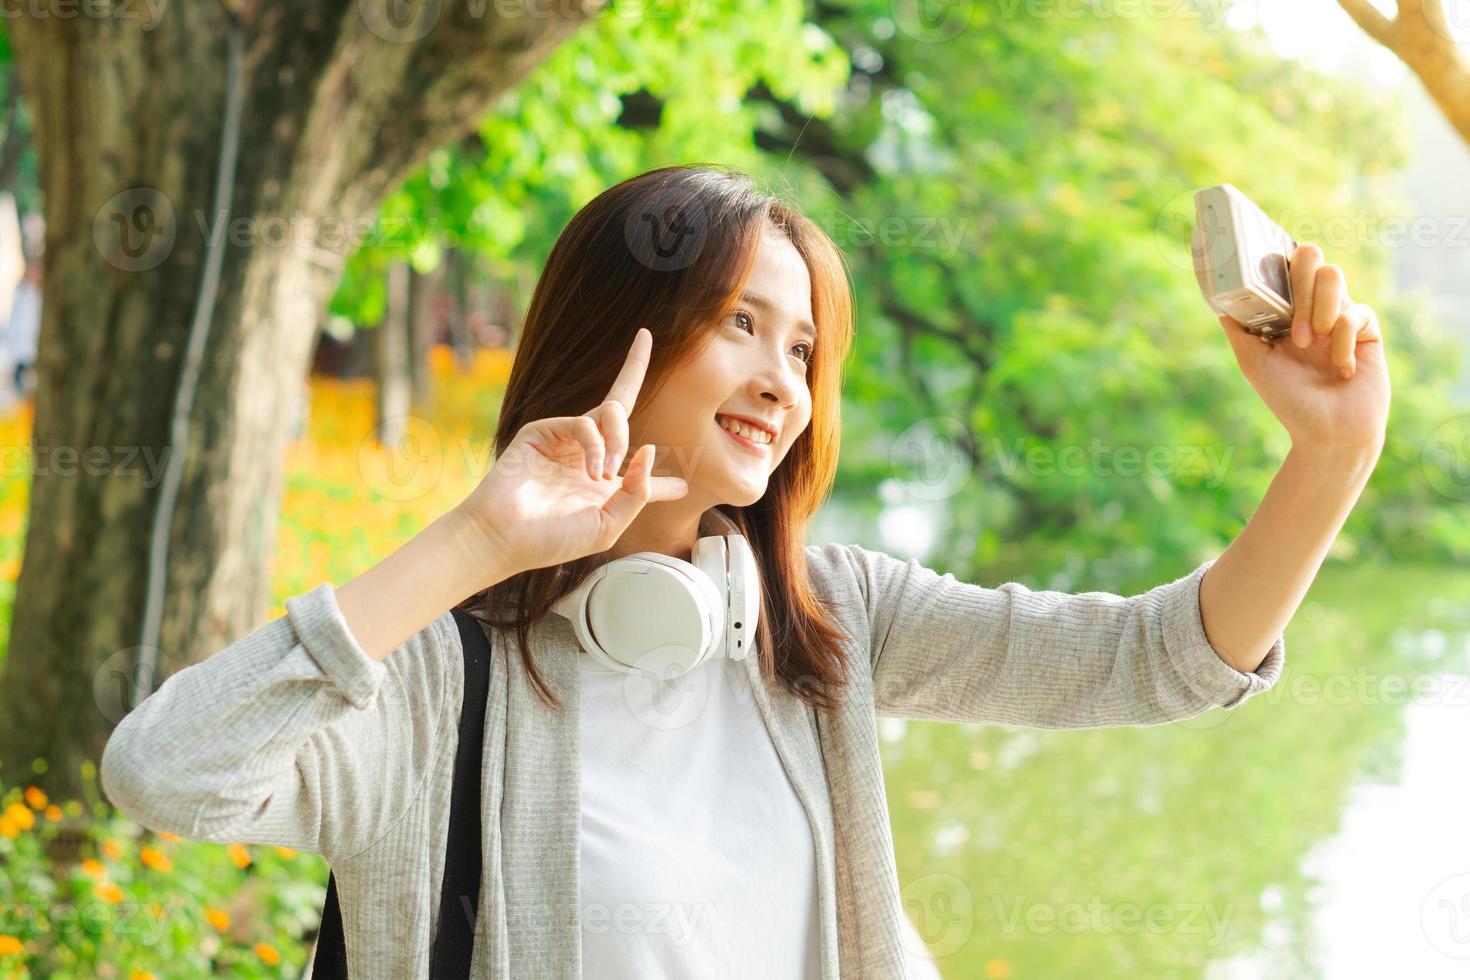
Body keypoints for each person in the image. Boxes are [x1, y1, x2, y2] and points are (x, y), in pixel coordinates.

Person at [97, 165, 1389, 977]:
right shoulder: (434, 685)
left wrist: (1327, 459)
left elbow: (1148, 661)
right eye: (740, 324)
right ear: (618, 340)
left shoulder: (831, 621)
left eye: (803, 345)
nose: (782, 377)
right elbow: (165, 772)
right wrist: (477, 543)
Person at [6, 256, 40, 399]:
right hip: (21, 354)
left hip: (36, 352)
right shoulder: (21, 295)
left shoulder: (41, 294)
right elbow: (13, 325)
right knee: (22, 394)